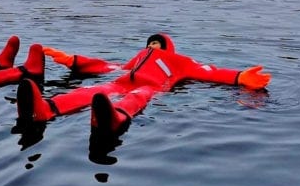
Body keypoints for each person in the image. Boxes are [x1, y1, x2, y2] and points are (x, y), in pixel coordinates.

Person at [15, 33, 271, 136]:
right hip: (121, 82)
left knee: (136, 98)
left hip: (151, 87)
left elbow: (208, 71)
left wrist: (238, 77)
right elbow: (109, 67)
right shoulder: (138, 56)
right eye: (150, 43)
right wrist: (73, 60)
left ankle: (112, 117)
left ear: (166, 46)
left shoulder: (179, 60)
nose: (152, 46)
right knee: (91, 91)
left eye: (157, 43)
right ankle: (45, 108)